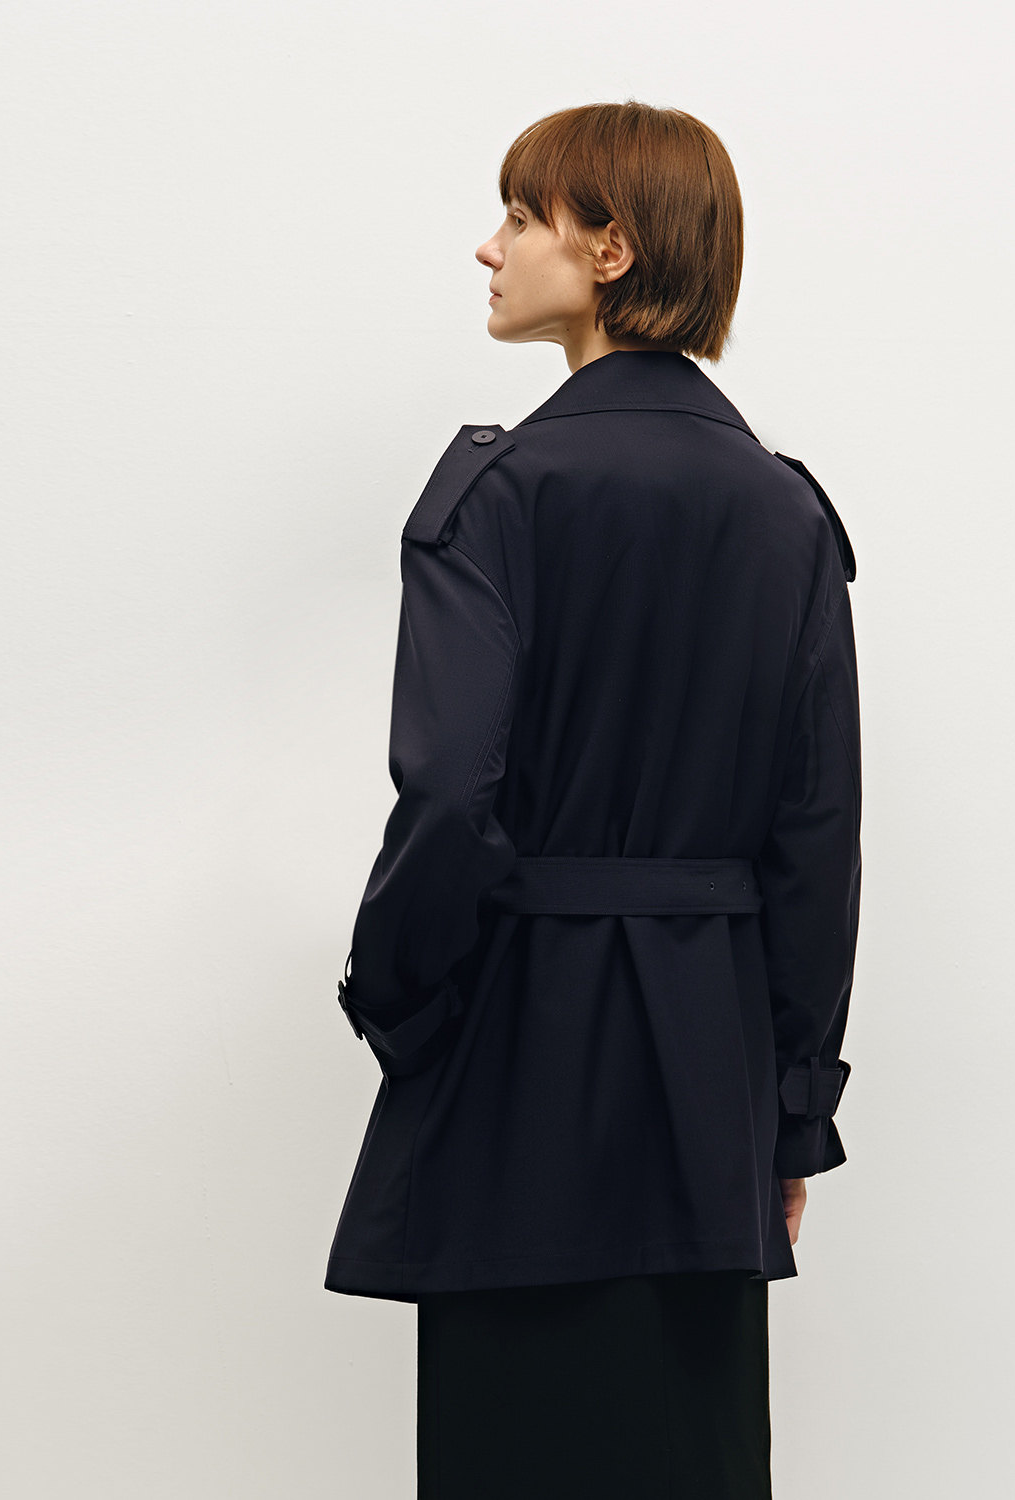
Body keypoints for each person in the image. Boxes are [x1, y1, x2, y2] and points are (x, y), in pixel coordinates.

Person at [324, 100, 862, 1500]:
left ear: (612, 249)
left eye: (522, 216)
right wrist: (792, 1109)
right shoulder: (787, 515)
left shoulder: (501, 496)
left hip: (518, 1058)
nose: (489, 247)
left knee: (514, 1452)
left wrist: (402, 1006)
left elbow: (448, 792)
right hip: (708, 1081)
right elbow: (817, 838)